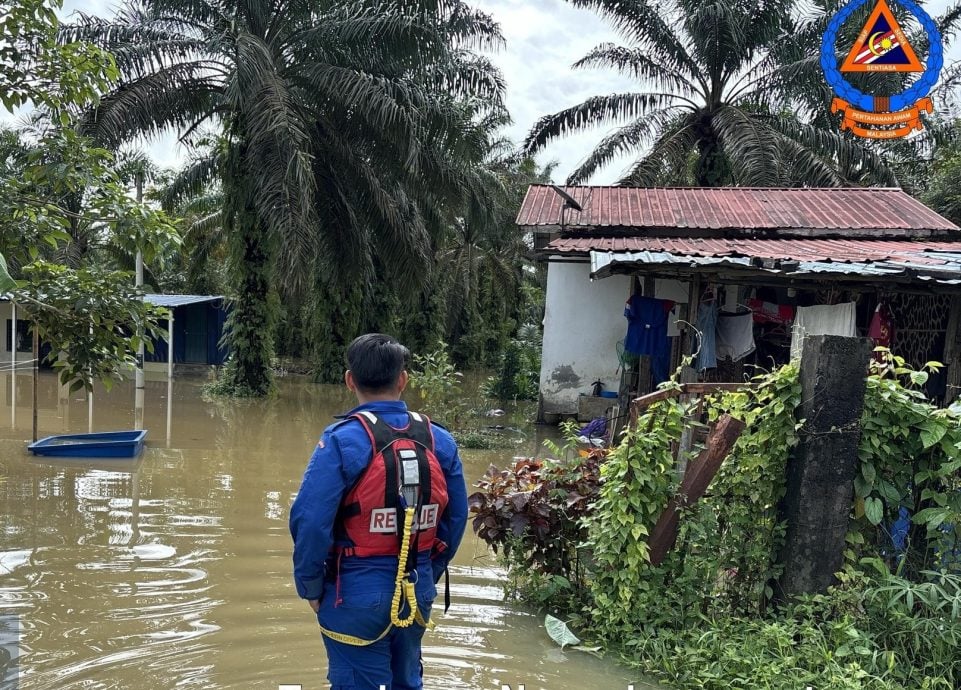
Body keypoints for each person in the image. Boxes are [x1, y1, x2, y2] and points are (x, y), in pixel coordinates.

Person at [289, 333, 468, 690]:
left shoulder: (341, 440)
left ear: (349, 380)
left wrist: (311, 587)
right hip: (416, 591)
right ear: (403, 379)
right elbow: (457, 519)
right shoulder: (441, 440)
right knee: (407, 683)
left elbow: (310, 521)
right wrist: (427, 572)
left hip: (354, 594)